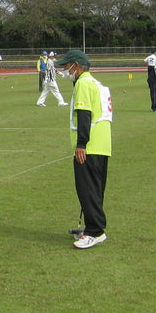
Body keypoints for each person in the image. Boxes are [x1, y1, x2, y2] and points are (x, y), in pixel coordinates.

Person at [55, 50, 111, 250]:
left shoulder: (83, 84)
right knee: (95, 189)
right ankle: (93, 227)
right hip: (103, 145)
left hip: (90, 146)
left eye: (66, 66)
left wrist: (81, 144)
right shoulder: (97, 83)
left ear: (76, 66)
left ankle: (95, 231)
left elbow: (84, 114)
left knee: (87, 189)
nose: (64, 70)